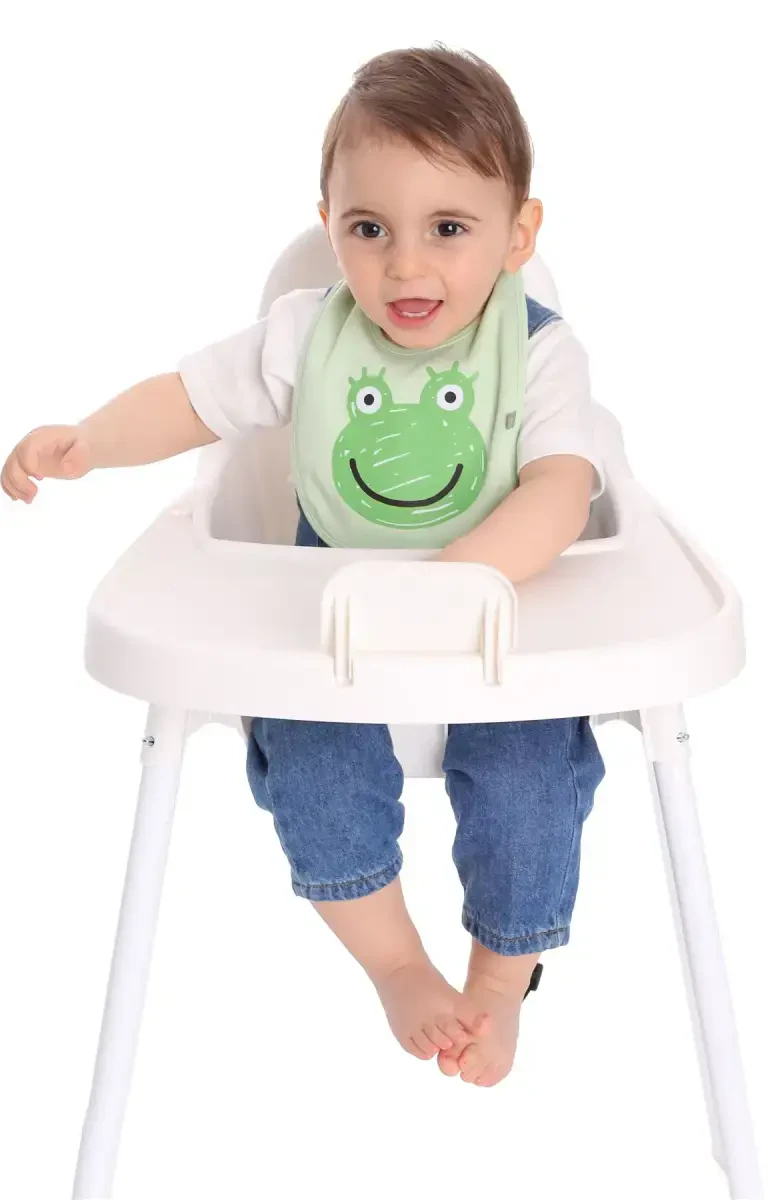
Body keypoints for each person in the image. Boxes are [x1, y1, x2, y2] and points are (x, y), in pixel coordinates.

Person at [2, 44, 606, 1087]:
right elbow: (187, 401)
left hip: (498, 607)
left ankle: (500, 982)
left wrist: (458, 580)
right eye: (370, 230)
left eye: (448, 229)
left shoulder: (540, 351)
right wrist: (90, 440)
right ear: (329, 226)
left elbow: (559, 489)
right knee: (312, 763)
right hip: (333, 606)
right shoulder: (306, 333)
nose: (405, 267)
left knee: (529, 777)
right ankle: (397, 967)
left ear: (518, 235)